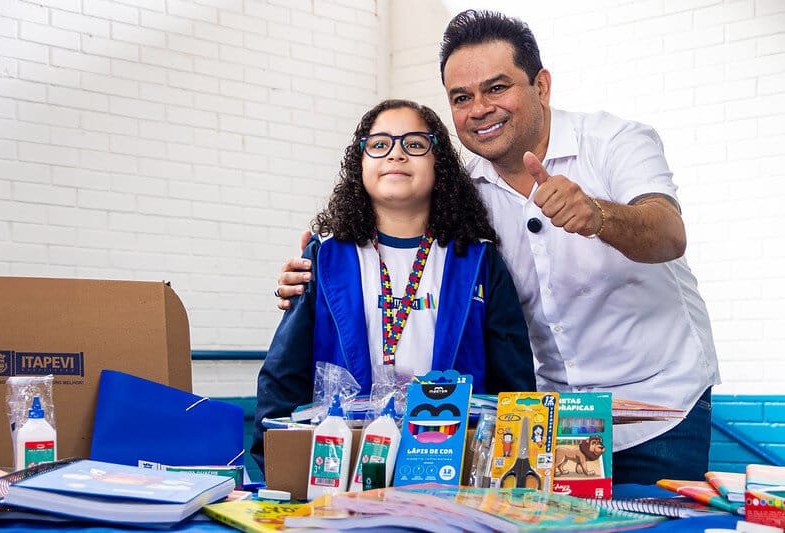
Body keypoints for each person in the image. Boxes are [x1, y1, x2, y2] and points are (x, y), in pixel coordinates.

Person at [275, 11, 720, 485]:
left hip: (659, 407)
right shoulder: (465, 197)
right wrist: (311, 274)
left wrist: (598, 215)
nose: (480, 108)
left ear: (541, 86)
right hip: (555, 414)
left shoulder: (614, 141)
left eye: (497, 88)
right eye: (461, 98)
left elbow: (669, 233)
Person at [252, 99, 536, 472]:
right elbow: (283, 376)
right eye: (379, 144)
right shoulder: (326, 257)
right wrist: (270, 468)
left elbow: (513, 384)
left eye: (415, 144)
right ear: (361, 163)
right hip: (341, 464)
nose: (396, 155)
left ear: (440, 166)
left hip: (453, 465)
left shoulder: (479, 262)